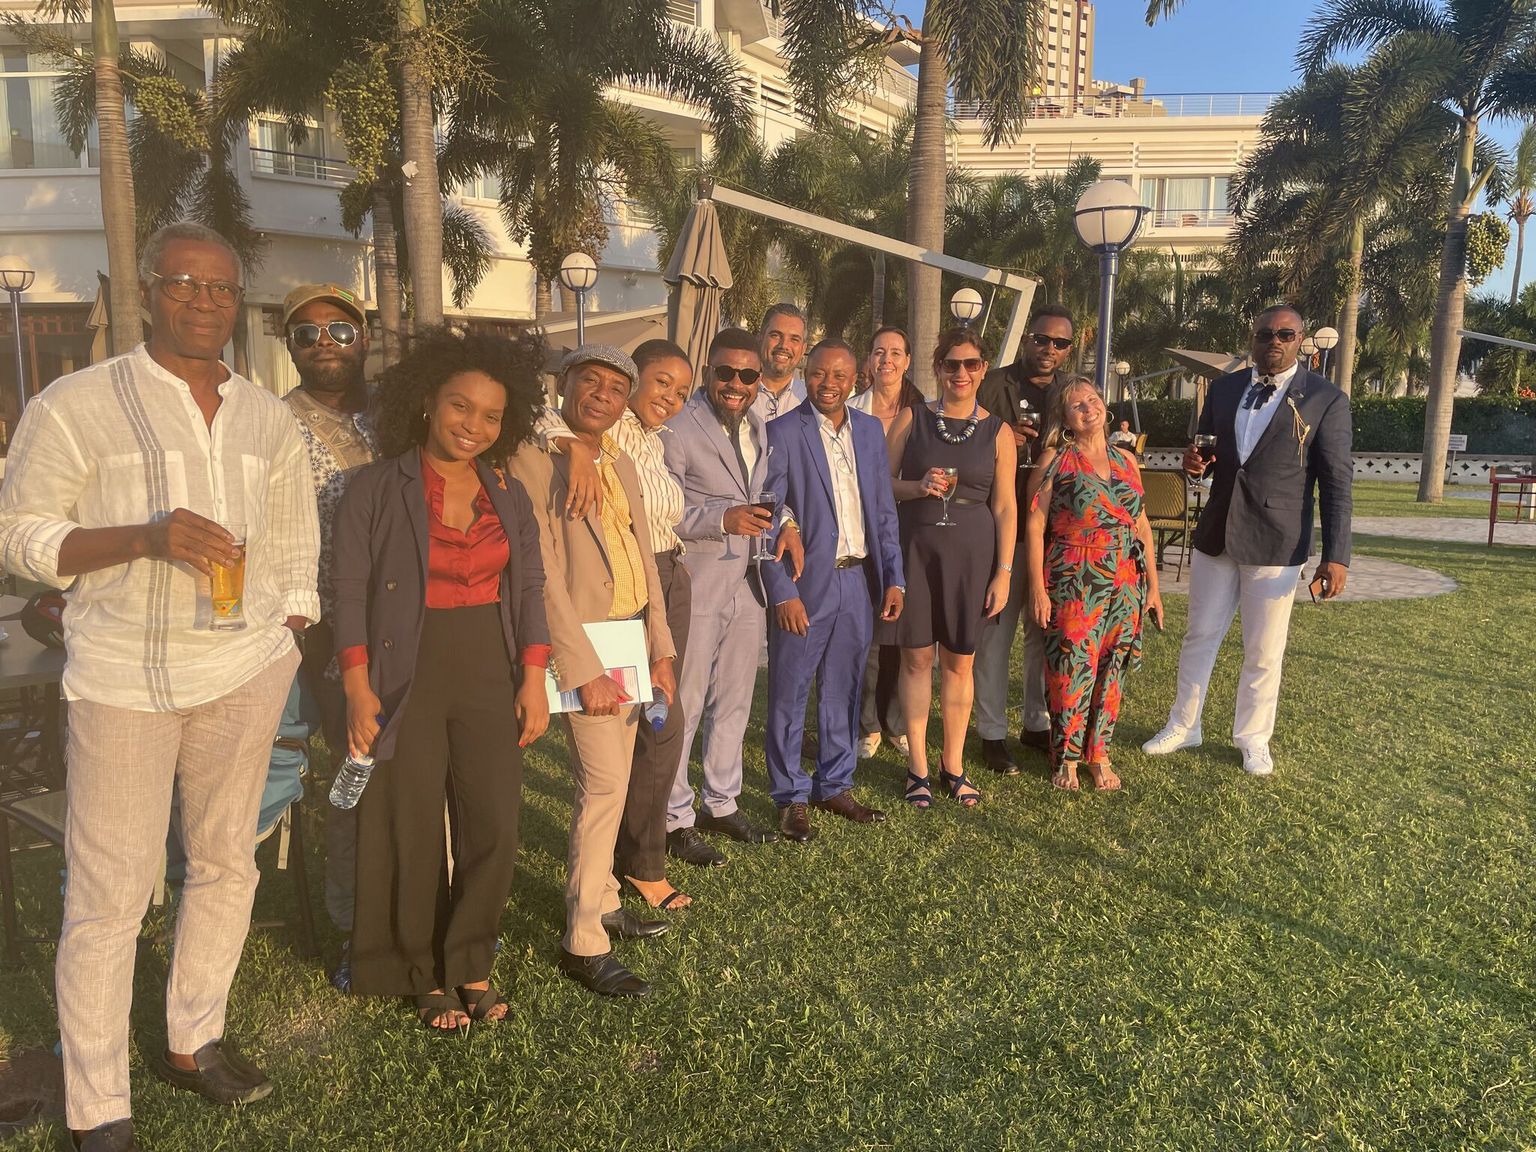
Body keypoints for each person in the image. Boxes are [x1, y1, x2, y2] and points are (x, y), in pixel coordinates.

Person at [0, 222, 319, 1152]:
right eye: (184, 282)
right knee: (111, 891)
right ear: (147, 291)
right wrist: (142, 537)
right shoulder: (77, 402)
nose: (203, 301)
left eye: (220, 287)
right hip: (125, 678)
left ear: (237, 301)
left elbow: (294, 536)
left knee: (225, 861)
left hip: (243, 670)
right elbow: (20, 533)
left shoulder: (266, 417)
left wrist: (288, 625)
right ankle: (98, 1102)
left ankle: (194, 1036)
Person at [331, 327, 551, 1032]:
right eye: (460, 406)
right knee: (412, 822)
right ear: (428, 401)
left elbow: (530, 588)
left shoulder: (508, 493)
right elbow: (349, 592)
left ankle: (472, 961)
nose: (473, 426)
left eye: (491, 416)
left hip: (488, 661)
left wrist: (534, 677)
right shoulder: (375, 486)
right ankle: (421, 972)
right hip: (405, 665)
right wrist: (358, 687)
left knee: (494, 821)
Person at [508, 346, 677, 998]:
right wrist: (581, 668)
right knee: (603, 787)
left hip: (630, 635)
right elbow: (543, 574)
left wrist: (660, 647)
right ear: (564, 384)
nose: (603, 395)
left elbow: (643, 556)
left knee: (617, 778)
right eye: (591, 382)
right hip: (584, 644)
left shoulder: (620, 460)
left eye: (616, 387)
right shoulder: (532, 457)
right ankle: (583, 939)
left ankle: (604, 898)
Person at [1142, 304, 1353, 776]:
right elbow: (1209, 457)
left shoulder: (1325, 399)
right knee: (1199, 635)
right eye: (1265, 334)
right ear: (1252, 339)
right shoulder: (1224, 389)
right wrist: (1195, 466)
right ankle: (1183, 725)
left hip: (1277, 539)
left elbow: (1337, 482)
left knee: (1263, 649)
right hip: (1217, 532)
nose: (1273, 341)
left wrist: (1337, 556)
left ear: (1301, 342)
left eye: (1285, 334)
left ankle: (1254, 739)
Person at [761, 339, 905, 841]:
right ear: (808, 372)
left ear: (856, 377)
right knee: (790, 690)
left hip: (858, 582)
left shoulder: (868, 430)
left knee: (844, 688)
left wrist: (894, 577)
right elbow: (767, 510)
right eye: (820, 373)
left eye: (840, 375)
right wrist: (782, 589)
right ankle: (790, 795)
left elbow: (883, 510)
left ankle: (835, 784)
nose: (829, 384)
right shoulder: (783, 431)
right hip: (805, 584)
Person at [279, 282, 378, 989]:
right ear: (289, 346)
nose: (324, 342)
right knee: (353, 780)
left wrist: (569, 444)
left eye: (340, 329)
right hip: (328, 631)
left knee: (421, 781)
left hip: (415, 625)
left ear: (363, 338)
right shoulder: (271, 422)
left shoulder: (402, 413)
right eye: (306, 332)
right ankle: (353, 926)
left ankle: (419, 906)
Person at [879, 327, 1017, 809]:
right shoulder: (912, 419)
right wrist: (917, 487)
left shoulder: (999, 432)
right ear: (937, 368)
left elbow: (1006, 507)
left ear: (983, 370)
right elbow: (879, 485)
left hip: (973, 558)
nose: (961, 373)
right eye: (951, 364)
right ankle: (917, 767)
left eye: (971, 364)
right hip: (916, 551)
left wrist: (1004, 572)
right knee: (916, 659)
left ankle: (953, 765)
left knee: (960, 662)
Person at [663, 327, 785, 866]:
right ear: (708, 372)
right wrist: (721, 518)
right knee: (684, 704)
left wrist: (787, 523)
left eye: (747, 374)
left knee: (734, 701)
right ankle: (673, 817)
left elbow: (765, 494)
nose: (736, 383)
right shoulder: (677, 426)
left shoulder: (758, 425)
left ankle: (721, 801)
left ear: (759, 379)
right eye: (726, 373)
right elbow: (663, 510)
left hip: (750, 583)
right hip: (697, 582)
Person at [592, 341, 697, 911]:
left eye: (681, 392)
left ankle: (626, 853)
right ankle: (639, 863)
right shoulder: (607, 429)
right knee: (655, 725)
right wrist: (572, 447)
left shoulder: (654, 441)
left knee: (656, 720)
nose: (671, 398)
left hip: (667, 577)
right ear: (634, 378)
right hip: (629, 584)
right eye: (662, 382)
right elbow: (547, 423)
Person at [1025, 379, 1163, 791]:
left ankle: (1099, 753)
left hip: (1125, 577)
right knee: (1071, 667)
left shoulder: (1127, 460)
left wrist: (1154, 588)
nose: (1089, 409)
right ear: (1065, 419)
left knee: (1112, 667)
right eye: (1077, 406)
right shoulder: (1055, 459)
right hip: (1074, 575)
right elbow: (1035, 525)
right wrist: (1037, 588)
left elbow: (1141, 525)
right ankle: (1066, 757)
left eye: (1093, 400)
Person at [973, 304, 1075, 776]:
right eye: (1041, 339)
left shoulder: (1069, 392)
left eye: (1060, 343)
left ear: (1069, 349)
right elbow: (960, 437)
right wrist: (999, 440)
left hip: (1056, 535)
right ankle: (992, 733)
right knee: (996, 636)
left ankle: (1037, 722)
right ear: (1027, 339)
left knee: (1043, 634)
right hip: (1001, 529)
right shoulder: (993, 384)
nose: (1049, 348)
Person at [850, 325, 923, 759]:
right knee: (869, 633)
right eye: (879, 351)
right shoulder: (849, 410)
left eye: (896, 352)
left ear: (908, 361)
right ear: (869, 360)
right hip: (860, 531)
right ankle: (867, 724)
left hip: (911, 530)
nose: (887, 360)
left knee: (903, 630)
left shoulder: (925, 414)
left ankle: (896, 720)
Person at [751, 302, 808, 421]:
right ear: (760, 338)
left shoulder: (811, 400)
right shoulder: (739, 393)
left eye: (794, 339)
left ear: (803, 349)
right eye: (776, 335)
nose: (784, 345)